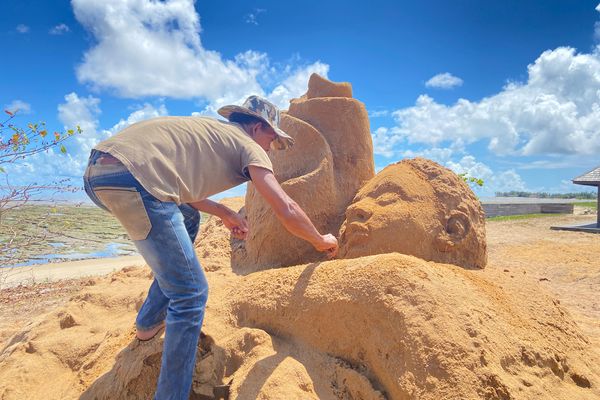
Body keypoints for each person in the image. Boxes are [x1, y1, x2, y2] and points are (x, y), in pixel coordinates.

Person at [82, 95, 338, 400]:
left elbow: (174, 188)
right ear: (257, 127)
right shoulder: (250, 146)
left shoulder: (209, 132)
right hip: (135, 179)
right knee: (191, 293)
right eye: (272, 136)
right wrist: (321, 241)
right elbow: (286, 207)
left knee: (187, 218)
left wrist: (224, 212)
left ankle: (149, 323)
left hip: (98, 173)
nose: (272, 146)